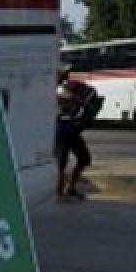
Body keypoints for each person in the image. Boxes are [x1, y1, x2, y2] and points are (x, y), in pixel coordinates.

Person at [55, 67, 102, 201]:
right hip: (62, 128)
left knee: (84, 158)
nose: (66, 74)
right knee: (61, 163)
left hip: (72, 128)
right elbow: (63, 100)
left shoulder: (70, 85)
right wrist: (77, 100)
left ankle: (70, 189)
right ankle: (59, 193)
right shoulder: (56, 89)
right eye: (63, 73)